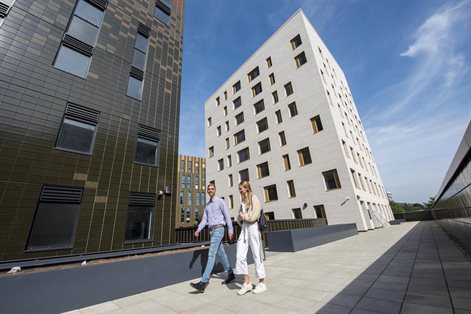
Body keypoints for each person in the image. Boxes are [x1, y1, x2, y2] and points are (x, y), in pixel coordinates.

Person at [190, 183, 235, 293]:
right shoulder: (207, 206)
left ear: (215, 190)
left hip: (219, 230)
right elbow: (204, 220)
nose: (210, 190)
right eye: (209, 189)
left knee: (211, 254)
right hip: (212, 231)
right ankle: (231, 273)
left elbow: (227, 216)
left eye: (212, 189)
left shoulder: (220, 202)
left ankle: (203, 282)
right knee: (222, 253)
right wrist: (198, 229)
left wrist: (230, 230)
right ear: (207, 191)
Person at [234, 181, 267, 295]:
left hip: (253, 228)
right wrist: (240, 217)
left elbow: (253, 216)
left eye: (241, 188)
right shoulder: (242, 202)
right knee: (240, 255)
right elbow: (239, 219)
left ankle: (262, 283)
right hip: (244, 229)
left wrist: (244, 216)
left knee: (257, 255)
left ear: (247, 188)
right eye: (239, 189)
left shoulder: (254, 199)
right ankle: (247, 283)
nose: (240, 190)